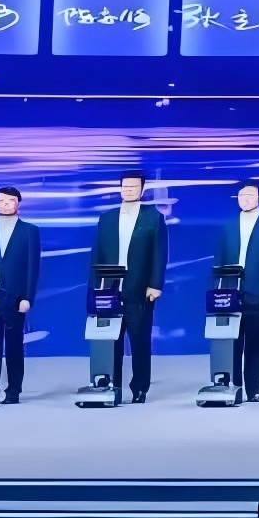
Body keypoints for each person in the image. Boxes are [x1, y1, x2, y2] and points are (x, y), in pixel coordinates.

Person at [91, 170, 168, 403]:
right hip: (108, 289)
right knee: (109, 340)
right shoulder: (107, 218)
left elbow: (159, 253)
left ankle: (140, 387)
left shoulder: (153, 217)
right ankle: (111, 386)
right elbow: (97, 253)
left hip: (140, 288)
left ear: (142, 189)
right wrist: (95, 286)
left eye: (134, 187)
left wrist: (155, 284)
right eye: (125, 186)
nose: (129, 190)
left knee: (139, 339)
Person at [216, 182, 259, 402]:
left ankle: (254, 389)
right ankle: (234, 387)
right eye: (241, 195)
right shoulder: (228, 225)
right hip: (230, 292)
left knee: (256, 341)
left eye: (250, 195)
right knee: (231, 342)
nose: (245, 199)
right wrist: (217, 289)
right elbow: (219, 259)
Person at [0, 186, 40, 406]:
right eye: (1, 201)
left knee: (14, 345)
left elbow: (33, 267)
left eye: (10, 201)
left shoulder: (29, 231)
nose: (5, 204)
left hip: (16, 297)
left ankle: (13, 390)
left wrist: (27, 297)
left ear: (18, 204)